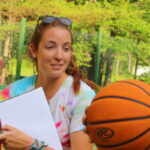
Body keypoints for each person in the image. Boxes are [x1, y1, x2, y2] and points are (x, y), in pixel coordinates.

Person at [0, 16, 98, 150]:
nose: (59, 56)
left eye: (66, 48)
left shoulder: (82, 95)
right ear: (34, 50)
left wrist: (32, 145)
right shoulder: (11, 92)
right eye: (50, 47)